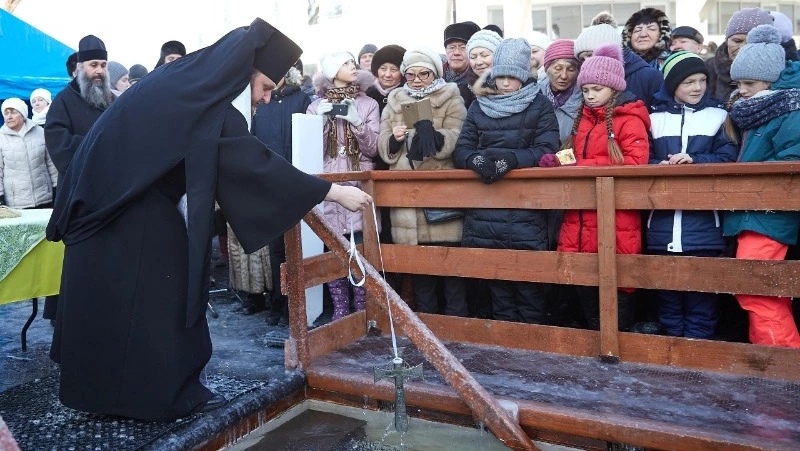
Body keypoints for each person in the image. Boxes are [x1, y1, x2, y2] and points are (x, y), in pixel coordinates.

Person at [46, 18, 372, 421]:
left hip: (109, 208)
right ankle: (164, 395)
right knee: (170, 284)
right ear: (243, 74)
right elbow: (253, 163)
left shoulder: (186, 82)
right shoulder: (206, 98)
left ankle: (112, 394)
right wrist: (333, 191)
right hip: (122, 212)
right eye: (265, 87)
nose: (268, 99)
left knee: (124, 304)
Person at [454, 38, 559, 323]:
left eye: (511, 76)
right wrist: (476, 162)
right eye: (500, 75)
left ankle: (531, 345)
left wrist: (513, 160)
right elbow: (462, 148)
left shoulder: (539, 105)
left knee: (529, 284)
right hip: (486, 206)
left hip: (525, 209)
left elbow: (547, 148)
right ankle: (505, 349)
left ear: (523, 74)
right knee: (497, 282)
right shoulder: (479, 106)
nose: (504, 82)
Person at [548, 44, 650, 331]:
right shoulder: (584, 120)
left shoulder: (629, 120)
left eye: (597, 89)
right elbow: (576, 157)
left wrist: (580, 166)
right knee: (584, 289)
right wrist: (557, 159)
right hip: (578, 218)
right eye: (586, 90)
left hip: (614, 219)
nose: (590, 95)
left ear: (613, 88)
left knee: (617, 288)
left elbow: (634, 163)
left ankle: (620, 345)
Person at [647, 51, 738, 339]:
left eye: (701, 80)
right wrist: (656, 166)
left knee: (702, 302)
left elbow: (730, 156)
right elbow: (639, 157)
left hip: (704, 228)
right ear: (673, 84)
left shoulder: (719, 116)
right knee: (668, 301)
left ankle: (699, 359)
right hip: (660, 227)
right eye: (688, 82)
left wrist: (695, 160)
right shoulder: (654, 118)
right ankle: (673, 361)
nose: (697, 87)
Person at [377, 47, 468, 317]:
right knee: (420, 277)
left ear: (435, 73)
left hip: (439, 194)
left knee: (451, 270)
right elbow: (383, 143)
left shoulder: (451, 96)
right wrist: (393, 139)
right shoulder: (395, 99)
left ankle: (457, 330)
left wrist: (436, 137)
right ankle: (427, 331)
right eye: (411, 74)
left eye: (424, 74)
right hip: (406, 200)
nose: (416, 80)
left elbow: (458, 135)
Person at [725, 25, 800, 348]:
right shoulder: (759, 111)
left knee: (755, 288)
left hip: (768, 213)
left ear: (770, 82)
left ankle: (780, 364)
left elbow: (791, 160)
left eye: (749, 84)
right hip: (753, 213)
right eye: (738, 83)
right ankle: (770, 360)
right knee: (764, 291)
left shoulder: (786, 111)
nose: (742, 90)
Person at [307, 51, 380, 321]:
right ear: (333, 70)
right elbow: (310, 149)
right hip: (328, 186)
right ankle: (339, 310)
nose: (354, 66)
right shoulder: (316, 106)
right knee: (332, 249)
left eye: (352, 62)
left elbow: (373, 149)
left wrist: (357, 121)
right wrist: (322, 122)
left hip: (359, 181)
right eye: (347, 63)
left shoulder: (368, 103)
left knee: (360, 249)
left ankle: (362, 310)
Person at [250, 65, 313, 324]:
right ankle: (279, 300)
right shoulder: (259, 102)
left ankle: (299, 304)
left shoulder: (302, 98)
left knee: (299, 246)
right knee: (276, 248)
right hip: (269, 182)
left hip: (297, 180)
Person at [45, 35, 115, 176]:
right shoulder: (62, 101)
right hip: (81, 183)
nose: (100, 71)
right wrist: (102, 145)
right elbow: (59, 146)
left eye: (103, 65)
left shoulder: (112, 99)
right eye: (93, 65)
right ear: (80, 67)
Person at [574, 13, 663, 109]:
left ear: (609, 51)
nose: (586, 62)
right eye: (582, 59)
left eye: (590, 55)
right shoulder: (585, 80)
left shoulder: (649, 76)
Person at [0, 98, 58, 208]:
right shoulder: (1, 138)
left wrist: (56, 187)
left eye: (14, 112)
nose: (9, 116)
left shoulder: (40, 132)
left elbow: (51, 163)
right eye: (6, 113)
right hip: (15, 203)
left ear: (23, 115)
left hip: (44, 197)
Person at [706, 7, 773, 101]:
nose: (743, 48)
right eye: (737, 41)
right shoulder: (707, 70)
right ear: (727, 40)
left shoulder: (786, 73)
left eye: (752, 42)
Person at [539, 39, 581, 143]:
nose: (564, 76)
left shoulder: (586, 98)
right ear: (547, 69)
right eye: (558, 68)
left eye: (571, 70)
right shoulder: (535, 94)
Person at [443, 21, 481, 107]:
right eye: (451, 47)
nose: (456, 52)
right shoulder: (433, 77)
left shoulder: (479, 80)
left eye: (463, 47)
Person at [365, 44, 406, 116]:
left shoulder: (408, 95)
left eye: (394, 69)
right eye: (383, 69)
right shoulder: (367, 95)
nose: (387, 75)